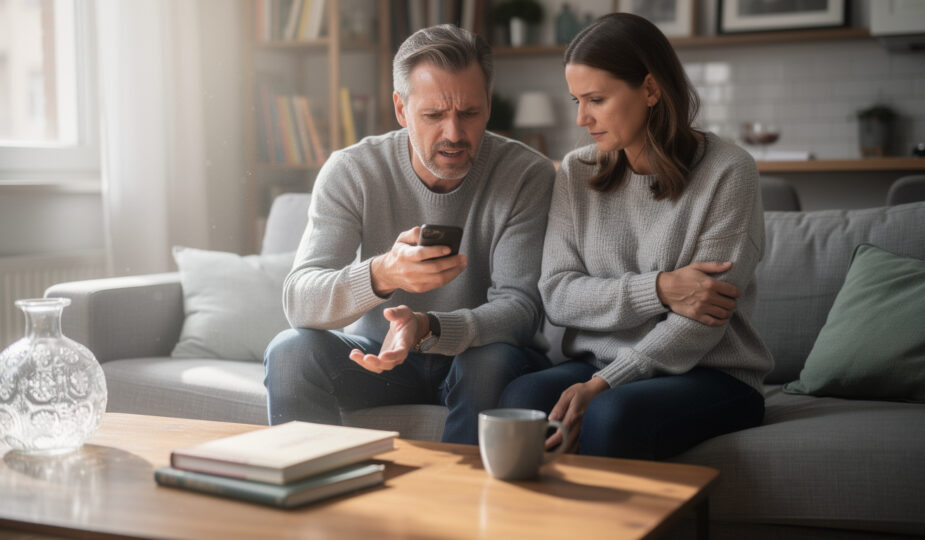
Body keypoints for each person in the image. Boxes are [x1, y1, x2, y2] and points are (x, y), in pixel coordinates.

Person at [263, 24, 555, 445]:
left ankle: (464, 505)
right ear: (401, 110)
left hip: (481, 355)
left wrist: (429, 326)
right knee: (290, 351)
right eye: (434, 115)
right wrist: (382, 274)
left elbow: (521, 309)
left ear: (489, 105)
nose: (454, 134)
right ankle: (317, 491)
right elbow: (299, 301)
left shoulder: (526, 174)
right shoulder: (352, 170)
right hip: (380, 357)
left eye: (469, 113)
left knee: (486, 363)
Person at [499, 13, 773, 459]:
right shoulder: (576, 171)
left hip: (710, 373)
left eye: (597, 99)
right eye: (576, 100)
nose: (583, 117)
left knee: (610, 415)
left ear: (649, 89)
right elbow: (558, 295)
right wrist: (661, 289)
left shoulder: (729, 172)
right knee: (519, 403)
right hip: (596, 364)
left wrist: (605, 383)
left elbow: (701, 321)